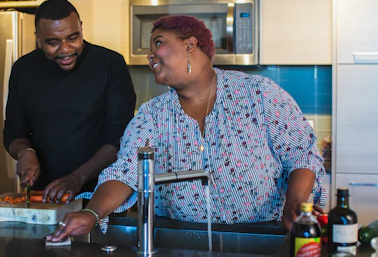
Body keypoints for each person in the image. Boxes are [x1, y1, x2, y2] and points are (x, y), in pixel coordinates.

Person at [46, 14, 327, 242]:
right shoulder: (152, 115)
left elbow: (300, 155)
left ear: (191, 44)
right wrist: (93, 213)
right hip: (179, 239)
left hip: (262, 236)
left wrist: (296, 203)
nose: (150, 55)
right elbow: (125, 172)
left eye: (158, 43)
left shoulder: (259, 94)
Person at [3, 0, 136, 203]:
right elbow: (14, 129)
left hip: (103, 195)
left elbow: (120, 137)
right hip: (44, 194)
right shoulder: (24, 69)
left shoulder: (110, 65)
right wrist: (24, 153)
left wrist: (77, 178)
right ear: (39, 39)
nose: (65, 49)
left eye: (73, 38)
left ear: (81, 28)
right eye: (53, 42)